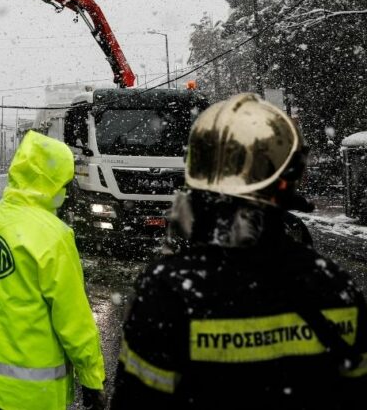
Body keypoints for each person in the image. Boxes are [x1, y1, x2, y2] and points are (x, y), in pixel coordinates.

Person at [110, 93, 367, 410]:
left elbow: (137, 400)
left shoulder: (169, 289)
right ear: (290, 177)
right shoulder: (335, 285)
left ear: (198, 175)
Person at [0, 131, 106, 410]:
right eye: (65, 183)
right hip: (35, 393)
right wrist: (92, 379)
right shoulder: (53, 235)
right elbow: (73, 319)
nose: (66, 191)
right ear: (51, 183)